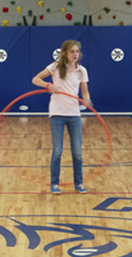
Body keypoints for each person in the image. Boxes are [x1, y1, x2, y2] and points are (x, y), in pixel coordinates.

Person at [32, 39, 94, 195]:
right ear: (65, 53)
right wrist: (48, 86)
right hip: (57, 113)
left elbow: (84, 91)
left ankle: (78, 184)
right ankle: (55, 184)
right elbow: (35, 79)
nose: (75, 54)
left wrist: (86, 99)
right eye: (72, 51)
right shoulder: (55, 67)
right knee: (58, 151)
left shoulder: (82, 71)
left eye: (77, 51)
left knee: (77, 152)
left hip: (74, 114)